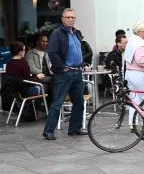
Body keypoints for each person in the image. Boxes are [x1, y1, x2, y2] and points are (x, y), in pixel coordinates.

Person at [43, 8, 86, 140]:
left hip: (77, 72)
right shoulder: (57, 33)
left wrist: (82, 64)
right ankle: (48, 131)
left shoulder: (77, 33)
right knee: (58, 102)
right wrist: (62, 68)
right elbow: (52, 53)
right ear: (62, 19)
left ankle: (75, 128)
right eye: (68, 17)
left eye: (73, 17)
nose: (70, 19)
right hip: (64, 74)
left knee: (79, 102)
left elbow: (78, 51)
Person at [123, 21, 144, 128]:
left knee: (135, 100)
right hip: (139, 74)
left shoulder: (132, 41)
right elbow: (140, 60)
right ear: (139, 31)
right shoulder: (139, 44)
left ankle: (133, 124)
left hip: (129, 73)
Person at [3, 41, 41, 121]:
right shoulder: (23, 63)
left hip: (15, 92)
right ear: (19, 51)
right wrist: (37, 77)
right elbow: (28, 80)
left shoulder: (9, 63)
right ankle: (33, 112)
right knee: (41, 87)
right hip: (25, 91)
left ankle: (28, 112)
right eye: (24, 50)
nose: (25, 52)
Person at [25, 33, 53, 105]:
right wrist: (42, 73)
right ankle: (53, 106)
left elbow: (52, 66)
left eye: (46, 41)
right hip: (36, 77)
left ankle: (50, 106)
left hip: (48, 77)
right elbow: (31, 68)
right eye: (43, 41)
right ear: (37, 42)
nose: (45, 43)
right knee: (55, 81)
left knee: (54, 82)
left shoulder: (48, 53)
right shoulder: (31, 53)